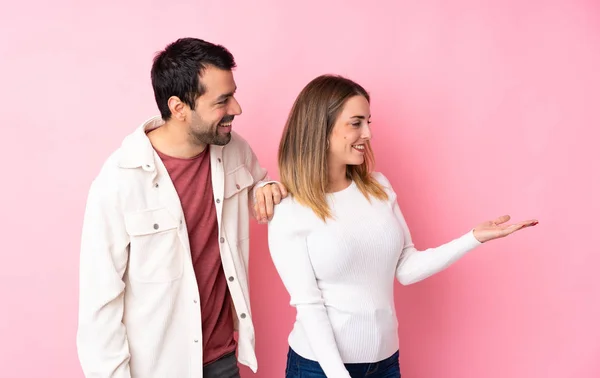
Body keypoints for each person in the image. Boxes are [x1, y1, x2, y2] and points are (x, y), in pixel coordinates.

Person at [267, 74, 538, 378]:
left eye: (369, 122)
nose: (367, 133)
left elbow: (406, 268)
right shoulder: (289, 210)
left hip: (385, 363)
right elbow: (309, 306)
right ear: (321, 129)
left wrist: (473, 238)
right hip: (318, 368)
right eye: (356, 123)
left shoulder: (378, 188)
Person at [76, 37, 286, 378]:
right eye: (222, 100)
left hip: (223, 360)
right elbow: (99, 302)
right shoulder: (119, 181)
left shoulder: (234, 149)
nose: (237, 108)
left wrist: (267, 188)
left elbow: (257, 187)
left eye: (233, 93)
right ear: (178, 108)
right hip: (158, 369)